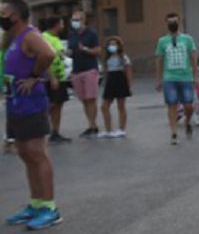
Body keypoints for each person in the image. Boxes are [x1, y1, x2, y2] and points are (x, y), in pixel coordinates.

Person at [2, 0, 62, 230]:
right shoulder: (13, 38)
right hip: (15, 103)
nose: (1, 16)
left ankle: (50, 208)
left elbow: (48, 54)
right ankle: (36, 203)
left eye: (3, 12)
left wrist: (35, 77)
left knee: (37, 152)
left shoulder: (29, 35)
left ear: (15, 15)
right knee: (25, 153)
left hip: (31, 102)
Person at [155, 12, 198, 145]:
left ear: (179, 23)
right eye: (170, 21)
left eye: (175, 21)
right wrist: (158, 79)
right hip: (169, 77)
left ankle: (187, 121)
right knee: (171, 105)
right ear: (166, 23)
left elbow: (193, 57)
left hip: (186, 76)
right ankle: (174, 133)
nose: (172, 23)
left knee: (188, 105)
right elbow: (159, 60)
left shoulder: (187, 39)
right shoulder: (162, 41)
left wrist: (196, 76)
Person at [67, 9, 101, 137]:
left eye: (77, 19)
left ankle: (94, 126)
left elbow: (98, 50)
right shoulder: (72, 35)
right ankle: (90, 124)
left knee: (90, 98)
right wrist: (67, 53)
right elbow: (71, 50)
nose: (74, 22)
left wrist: (85, 49)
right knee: (84, 100)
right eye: (73, 20)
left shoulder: (91, 33)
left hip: (89, 69)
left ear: (83, 20)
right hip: (76, 70)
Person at [40, 16, 72, 144]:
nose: (63, 25)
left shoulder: (56, 38)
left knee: (59, 104)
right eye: (62, 23)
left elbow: (58, 55)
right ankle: (41, 131)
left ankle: (55, 132)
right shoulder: (44, 38)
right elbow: (44, 58)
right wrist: (52, 77)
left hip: (61, 76)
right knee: (50, 105)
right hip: (50, 78)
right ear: (56, 24)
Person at [99, 36, 131, 138]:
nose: (112, 46)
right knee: (104, 106)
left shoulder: (123, 57)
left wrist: (129, 86)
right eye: (110, 44)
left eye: (114, 44)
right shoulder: (106, 58)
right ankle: (108, 130)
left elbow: (128, 71)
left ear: (118, 46)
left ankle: (122, 129)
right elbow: (106, 72)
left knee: (121, 105)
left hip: (120, 80)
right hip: (110, 81)